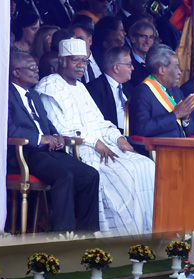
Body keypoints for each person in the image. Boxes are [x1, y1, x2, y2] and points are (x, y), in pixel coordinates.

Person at [35, 38, 156, 236]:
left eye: (84, 61)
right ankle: (122, 237)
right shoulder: (49, 86)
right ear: (62, 61)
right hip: (80, 150)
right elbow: (60, 128)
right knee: (125, 174)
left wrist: (119, 139)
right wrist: (95, 142)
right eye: (76, 60)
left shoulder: (81, 87)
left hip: (106, 145)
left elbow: (101, 122)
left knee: (146, 166)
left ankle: (146, 233)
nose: (81, 66)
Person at [8, 52, 101, 233]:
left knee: (90, 175)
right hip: (26, 153)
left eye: (36, 67)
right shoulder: (5, 95)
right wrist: (39, 139)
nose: (37, 71)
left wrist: (56, 136)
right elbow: (8, 129)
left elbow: (47, 124)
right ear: (16, 72)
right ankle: (63, 236)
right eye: (32, 68)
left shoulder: (33, 95)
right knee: (63, 175)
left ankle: (87, 234)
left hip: (48, 152)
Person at [129, 44, 194, 140]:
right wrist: (175, 115)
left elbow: (191, 131)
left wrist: (186, 118)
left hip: (182, 147)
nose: (179, 72)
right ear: (162, 70)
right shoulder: (143, 92)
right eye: (176, 67)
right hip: (159, 150)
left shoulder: (176, 91)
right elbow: (141, 129)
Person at [85, 46, 135, 131]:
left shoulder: (129, 89)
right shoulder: (94, 89)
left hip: (134, 137)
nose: (132, 68)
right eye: (129, 65)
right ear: (116, 68)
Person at [128, 20, 156, 86]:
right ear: (133, 38)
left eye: (151, 37)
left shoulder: (155, 61)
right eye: (143, 36)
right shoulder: (127, 61)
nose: (147, 41)